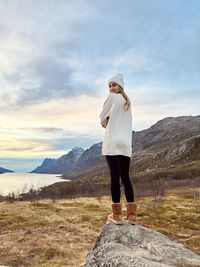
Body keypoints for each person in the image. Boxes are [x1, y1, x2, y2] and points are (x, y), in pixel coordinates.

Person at [100, 73, 137, 225]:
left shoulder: (111, 98)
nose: (111, 88)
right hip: (125, 144)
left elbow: (102, 116)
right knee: (126, 178)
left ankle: (116, 216)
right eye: (109, 86)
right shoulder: (127, 102)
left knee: (115, 178)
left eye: (113, 85)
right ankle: (132, 216)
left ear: (120, 86)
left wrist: (105, 122)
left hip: (113, 142)